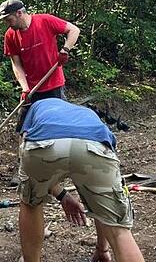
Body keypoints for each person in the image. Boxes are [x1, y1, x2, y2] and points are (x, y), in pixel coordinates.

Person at [17, 98, 145, 262]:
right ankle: (103, 251)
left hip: (43, 142)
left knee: (31, 203)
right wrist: (101, 248)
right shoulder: (87, 113)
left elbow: (26, 156)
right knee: (119, 230)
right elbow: (100, 206)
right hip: (94, 144)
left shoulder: (35, 109)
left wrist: (61, 195)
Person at [0, 0, 80, 118]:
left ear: (19, 13)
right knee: (24, 126)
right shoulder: (10, 35)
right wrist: (25, 88)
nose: (8, 24)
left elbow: (74, 30)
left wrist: (65, 50)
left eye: (9, 20)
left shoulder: (45, 21)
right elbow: (16, 64)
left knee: (59, 121)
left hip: (54, 84)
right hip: (32, 89)